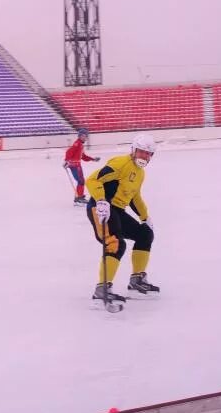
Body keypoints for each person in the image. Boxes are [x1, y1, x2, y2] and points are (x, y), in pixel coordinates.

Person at [85, 133, 159, 310]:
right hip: (100, 206)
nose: (144, 157)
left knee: (145, 234)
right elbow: (93, 179)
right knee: (116, 244)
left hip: (117, 210)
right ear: (133, 150)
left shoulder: (140, 173)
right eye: (141, 152)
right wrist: (101, 200)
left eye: (148, 154)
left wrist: (145, 217)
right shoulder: (120, 164)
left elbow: (134, 198)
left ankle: (137, 280)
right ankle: (102, 289)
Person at [64, 128, 100, 205]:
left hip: (77, 165)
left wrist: (92, 159)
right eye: (83, 136)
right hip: (74, 165)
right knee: (81, 181)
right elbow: (69, 152)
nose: (85, 137)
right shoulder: (77, 144)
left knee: (81, 181)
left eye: (86, 136)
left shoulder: (80, 144)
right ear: (79, 136)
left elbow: (83, 156)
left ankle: (78, 197)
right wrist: (66, 161)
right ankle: (79, 198)